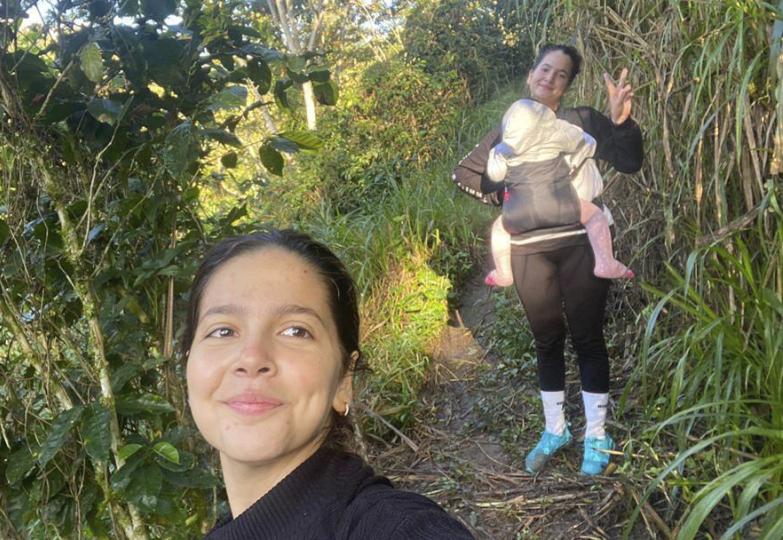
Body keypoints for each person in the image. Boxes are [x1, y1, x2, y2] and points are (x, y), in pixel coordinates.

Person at [182, 229, 474, 539]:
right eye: (223, 331)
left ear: (344, 379)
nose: (252, 358)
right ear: (188, 364)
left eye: (296, 331)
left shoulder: (394, 528)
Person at [452, 44, 643, 476]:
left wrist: (619, 119)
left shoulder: (581, 121)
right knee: (547, 339)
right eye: (545, 69)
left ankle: (597, 434)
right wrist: (514, 193)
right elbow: (468, 174)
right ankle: (555, 429)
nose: (550, 78)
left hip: (580, 242)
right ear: (530, 74)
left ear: (568, 85)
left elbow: (629, 161)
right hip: (527, 249)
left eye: (561, 74)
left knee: (588, 337)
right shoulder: (511, 125)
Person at [483, 97, 633, 287]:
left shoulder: (502, 149)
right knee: (596, 216)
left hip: (518, 213)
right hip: (561, 204)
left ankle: (504, 273)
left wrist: (496, 155)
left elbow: (495, 175)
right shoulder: (557, 133)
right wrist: (573, 162)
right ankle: (606, 262)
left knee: (499, 229)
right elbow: (588, 143)